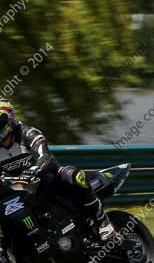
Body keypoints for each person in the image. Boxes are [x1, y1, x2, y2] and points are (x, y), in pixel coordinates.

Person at [0, 99, 116, 241]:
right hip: (23, 190)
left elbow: (45, 156)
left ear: (8, 118)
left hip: (49, 178)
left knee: (74, 175)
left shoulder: (28, 133)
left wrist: (35, 169)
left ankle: (103, 222)